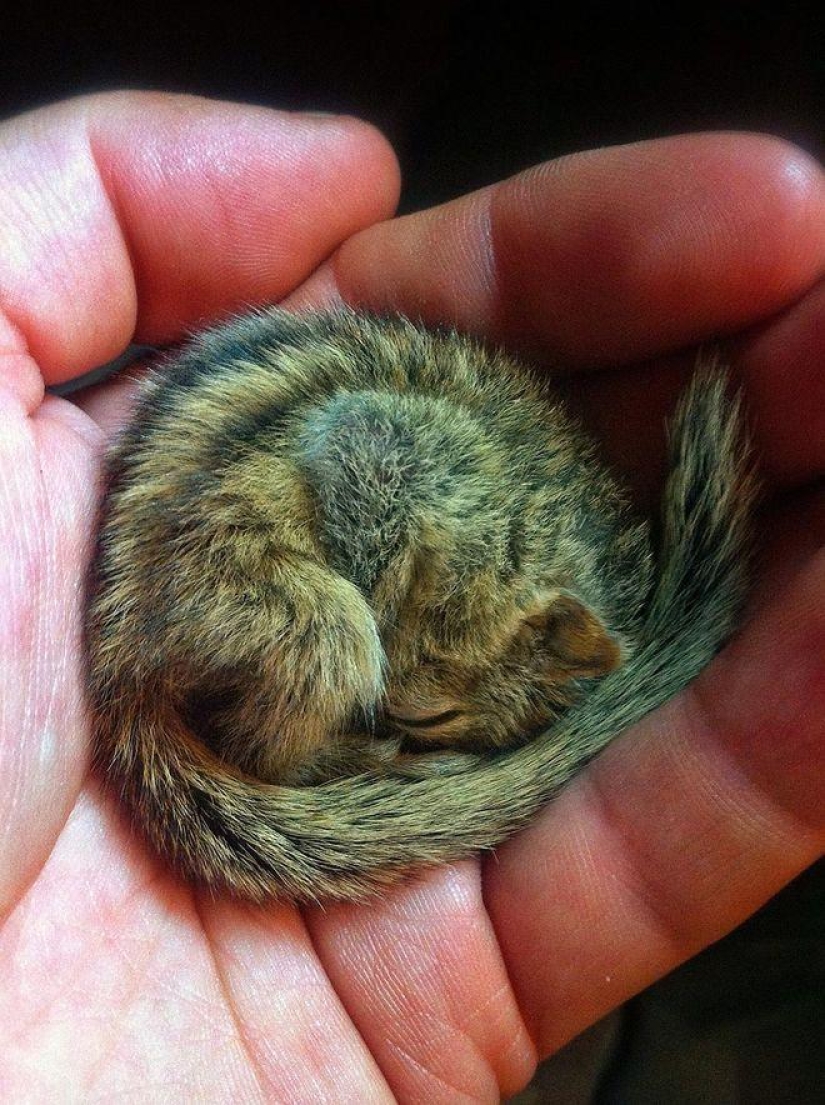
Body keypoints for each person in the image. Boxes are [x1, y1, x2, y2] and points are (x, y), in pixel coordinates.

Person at [0, 92, 821, 1101]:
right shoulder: (477, 519)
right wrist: (377, 659)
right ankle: (282, 751)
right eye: (436, 713)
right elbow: (353, 451)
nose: (409, 725)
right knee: (334, 653)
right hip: (231, 552)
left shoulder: (507, 558)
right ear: (542, 628)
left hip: (211, 599)